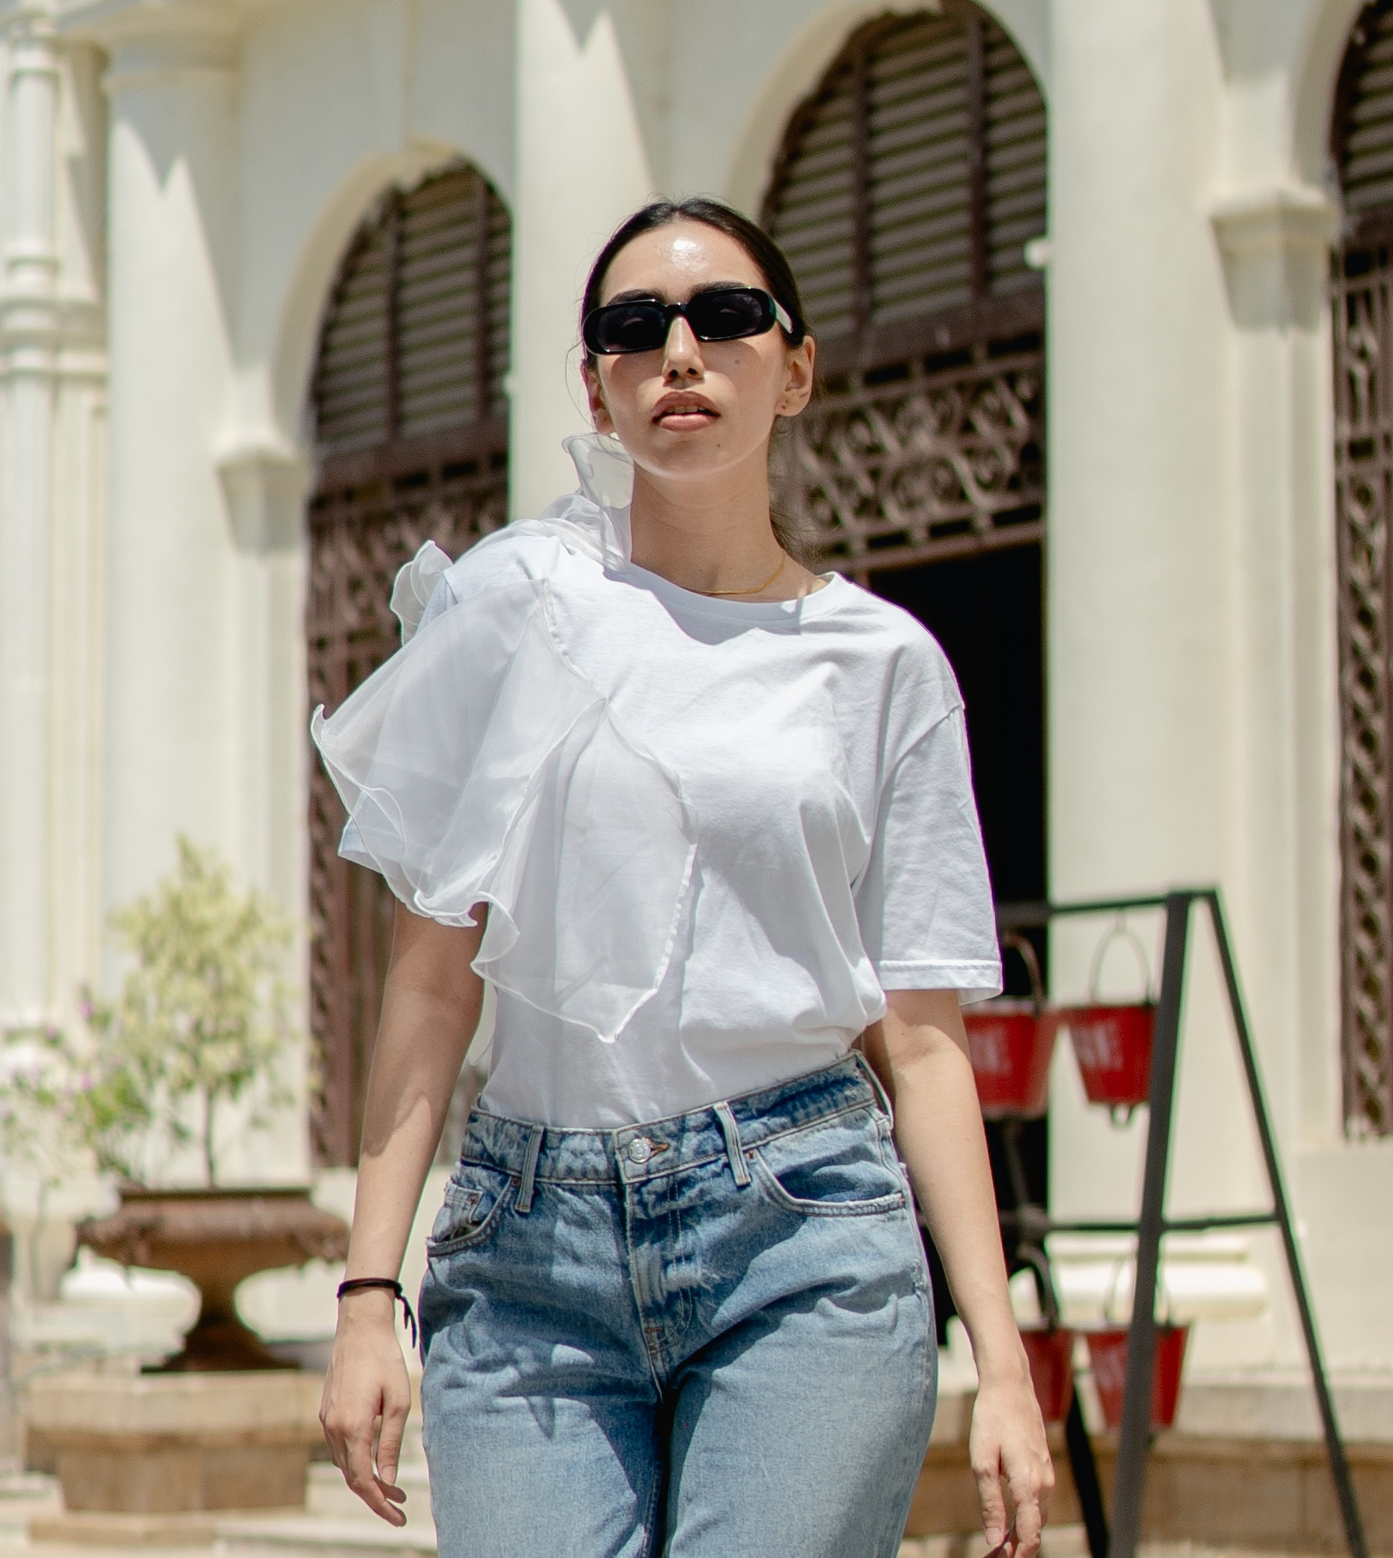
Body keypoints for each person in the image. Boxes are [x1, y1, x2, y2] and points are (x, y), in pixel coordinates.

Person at [314, 195, 1053, 1558]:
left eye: (724, 317)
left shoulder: (884, 667)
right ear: (596, 389)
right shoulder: (515, 609)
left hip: (803, 1238)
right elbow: (428, 985)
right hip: (529, 1259)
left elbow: (927, 1040)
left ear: (798, 366)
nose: (682, 352)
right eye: (634, 328)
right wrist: (371, 1292)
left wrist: (1003, 1362)